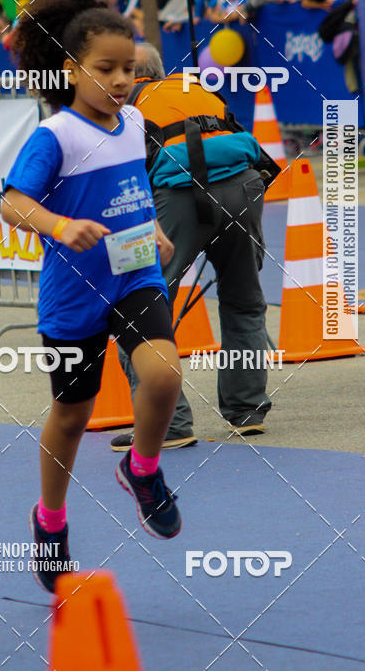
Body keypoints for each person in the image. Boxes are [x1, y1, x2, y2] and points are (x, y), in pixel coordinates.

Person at [2, 0, 183, 592]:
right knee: (73, 416)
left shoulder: (134, 122)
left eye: (129, 69)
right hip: (74, 294)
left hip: (134, 275)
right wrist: (59, 225)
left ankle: (143, 468)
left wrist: (153, 225)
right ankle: (50, 523)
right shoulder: (55, 136)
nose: (120, 80)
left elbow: (131, 185)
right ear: (70, 69)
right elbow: (13, 204)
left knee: (163, 376)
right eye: (104, 69)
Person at [110, 43, 273, 454]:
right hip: (244, 186)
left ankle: (169, 424)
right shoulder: (197, 89)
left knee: (137, 306)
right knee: (243, 300)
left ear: (131, 75)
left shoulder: (126, 111)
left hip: (178, 195)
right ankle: (247, 410)